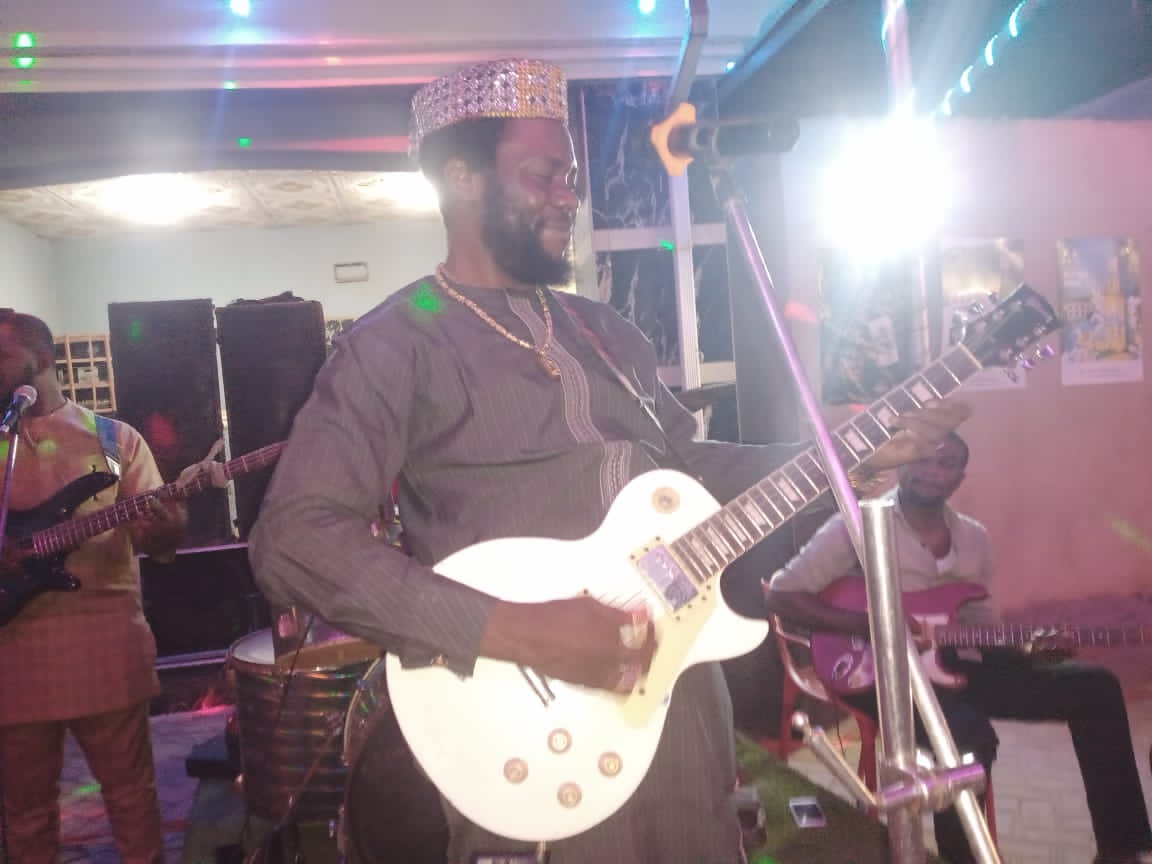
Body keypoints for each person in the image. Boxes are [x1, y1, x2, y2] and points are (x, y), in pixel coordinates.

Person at [248, 58, 966, 864]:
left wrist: (841, 462)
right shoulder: (395, 342)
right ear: (461, 180)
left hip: (676, 692)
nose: (569, 196)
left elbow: (689, 474)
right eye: (543, 175)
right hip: (525, 717)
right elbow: (293, 539)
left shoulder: (607, 332)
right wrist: (524, 633)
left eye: (573, 177)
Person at [766, 432, 1152, 864]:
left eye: (946, 463)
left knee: (1096, 687)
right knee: (966, 738)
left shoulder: (974, 538)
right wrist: (872, 625)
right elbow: (782, 595)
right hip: (881, 671)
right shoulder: (855, 526)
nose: (933, 472)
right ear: (902, 464)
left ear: (959, 477)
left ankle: (1121, 848)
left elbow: (982, 629)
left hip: (955, 663)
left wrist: (1026, 649)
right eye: (923, 460)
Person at [0, 311, 188, 864]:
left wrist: (166, 527)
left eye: (1, 357)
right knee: (25, 813)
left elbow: (160, 541)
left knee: (131, 799)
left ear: (42, 359)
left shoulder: (113, 441)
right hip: (13, 656)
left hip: (105, 647)